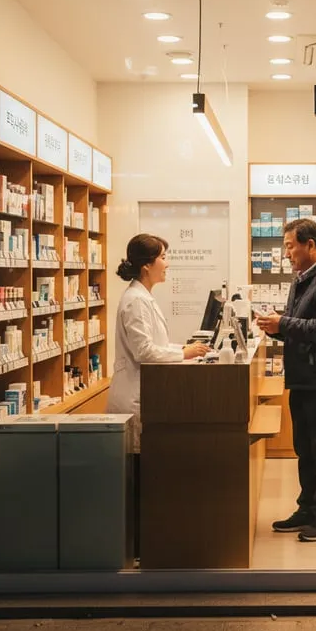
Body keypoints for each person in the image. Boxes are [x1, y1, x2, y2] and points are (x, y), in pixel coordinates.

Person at [107, 233, 209, 556]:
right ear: (147, 265)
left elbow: (155, 346)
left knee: (143, 471)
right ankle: (138, 548)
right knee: (138, 473)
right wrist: (184, 353)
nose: (167, 264)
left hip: (147, 392)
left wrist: (184, 350)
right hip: (136, 396)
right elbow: (145, 352)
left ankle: (142, 545)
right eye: (163, 257)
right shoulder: (136, 300)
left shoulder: (143, 297)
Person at [255, 218, 316, 542]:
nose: (286, 254)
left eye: (290, 246)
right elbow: (297, 328)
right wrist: (274, 328)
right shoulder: (301, 280)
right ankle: (308, 508)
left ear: (310, 245)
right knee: (304, 450)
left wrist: (282, 323)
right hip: (301, 378)